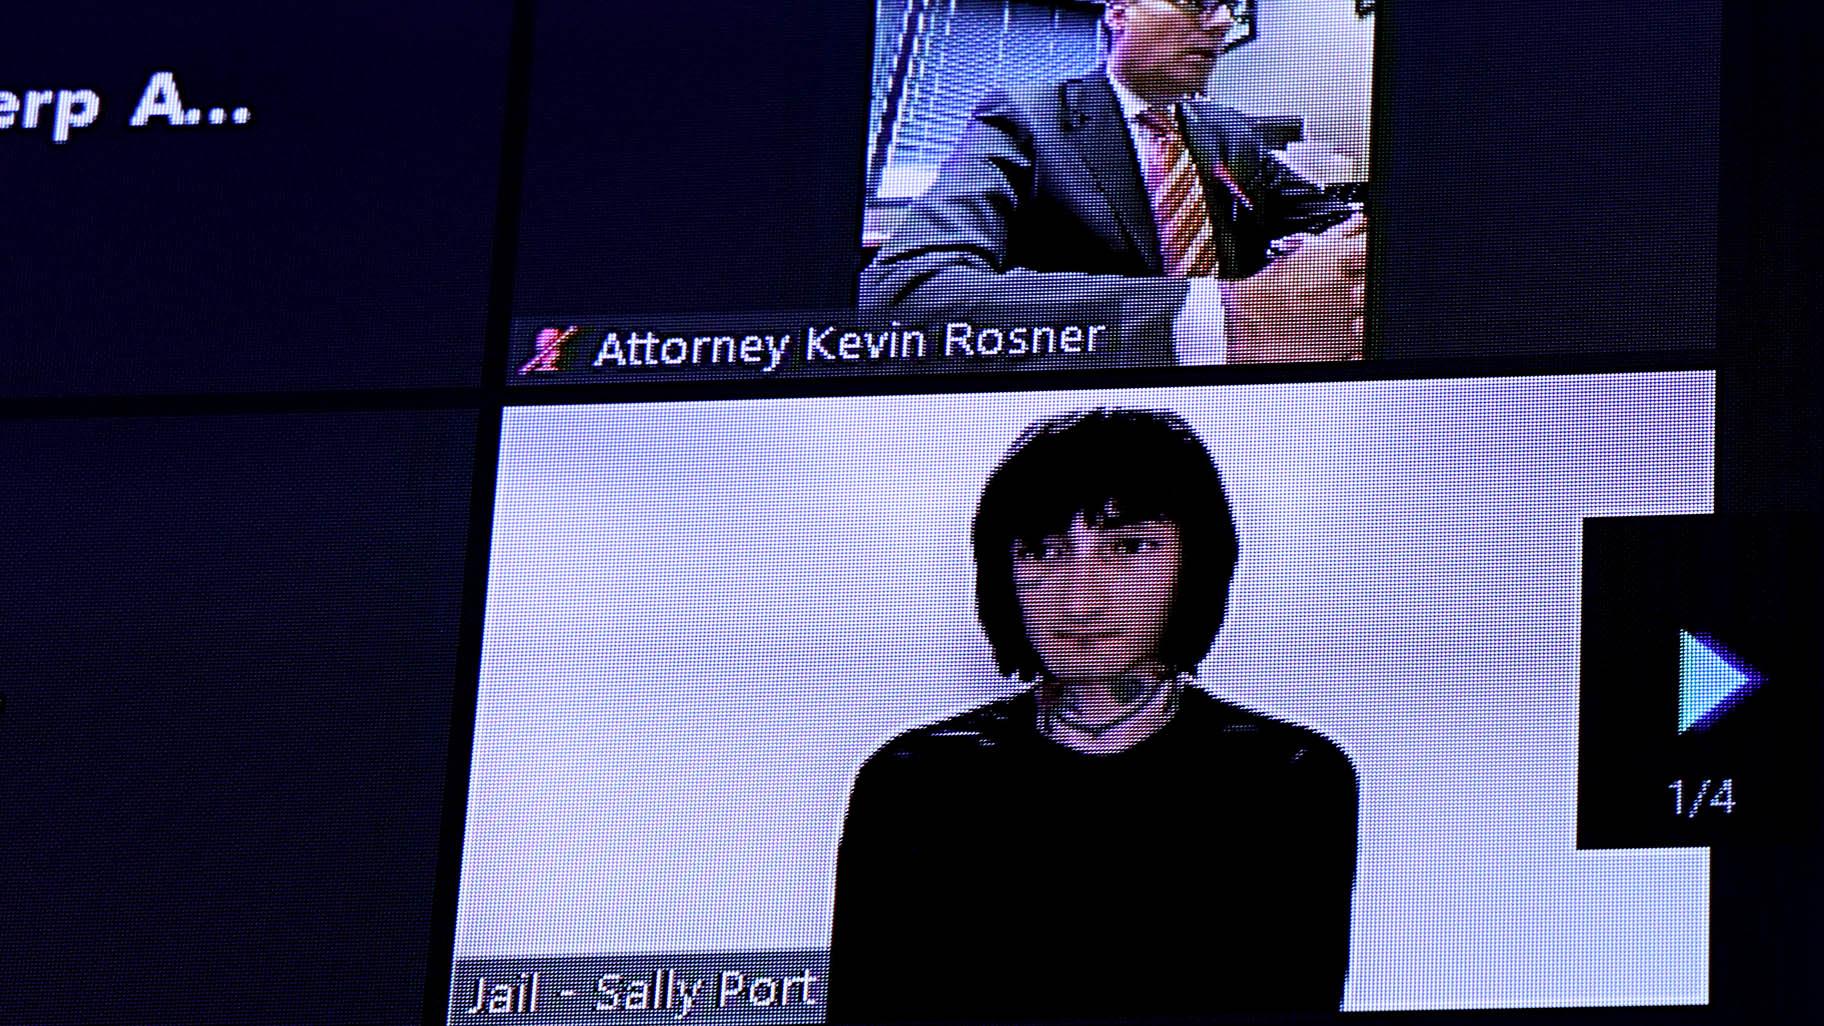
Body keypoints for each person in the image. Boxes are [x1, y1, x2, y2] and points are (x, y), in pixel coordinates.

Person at [827, 409, 1360, 1023]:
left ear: (1198, 564)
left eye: (1128, 548)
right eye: (1044, 550)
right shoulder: (916, 781)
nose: (1080, 593)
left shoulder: (1284, 779)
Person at [860, 1, 1366, 365]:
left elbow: (1329, 218)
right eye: (1194, 4)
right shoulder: (1025, 116)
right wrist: (1214, 314)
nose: (1219, 24)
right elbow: (907, 290)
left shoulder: (1229, 131)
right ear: (1119, 11)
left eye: (1226, 10)